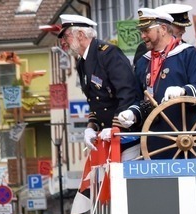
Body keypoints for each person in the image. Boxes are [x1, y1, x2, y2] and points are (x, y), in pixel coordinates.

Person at [55, 14, 142, 154]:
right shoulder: (82, 62)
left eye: (66, 37)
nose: (63, 42)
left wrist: (115, 127)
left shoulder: (108, 54)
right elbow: (96, 100)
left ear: (81, 35)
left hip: (127, 135)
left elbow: (128, 93)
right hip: (108, 137)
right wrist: (91, 127)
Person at [134, 7, 196, 159]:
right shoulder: (143, 61)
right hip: (154, 145)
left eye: (147, 30)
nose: (143, 36)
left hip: (188, 143)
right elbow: (137, 97)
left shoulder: (187, 53)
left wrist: (183, 91)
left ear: (163, 29)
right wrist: (132, 112)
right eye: (141, 31)